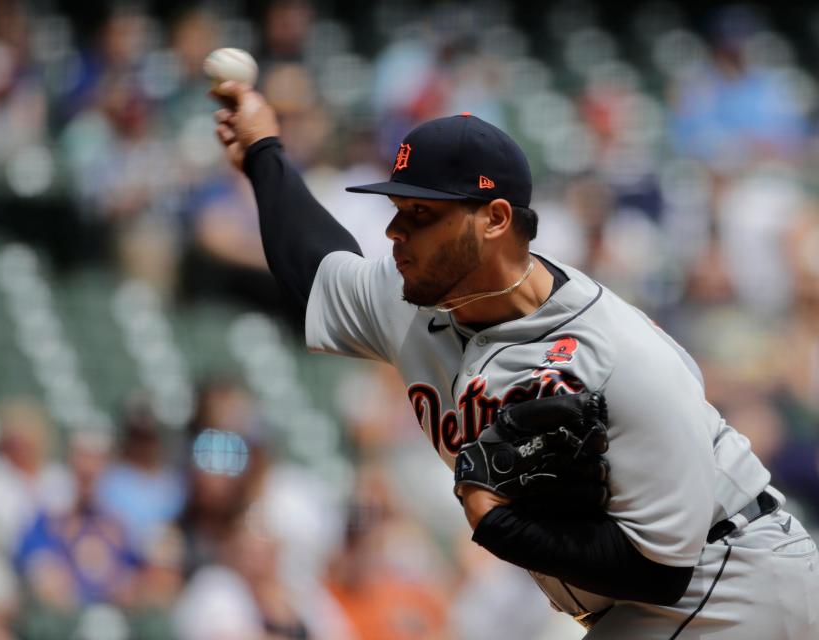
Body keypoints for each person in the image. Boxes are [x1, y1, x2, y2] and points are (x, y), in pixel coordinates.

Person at [211, 81, 819, 639]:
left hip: (732, 583)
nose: (395, 231)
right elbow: (316, 271)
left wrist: (499, 522)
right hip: (645, 603)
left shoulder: (621, 355)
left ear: (495, 219)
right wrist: (264, 149)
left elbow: (662, 571)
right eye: (397, 208)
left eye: (422, 215)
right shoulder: (413, 294)